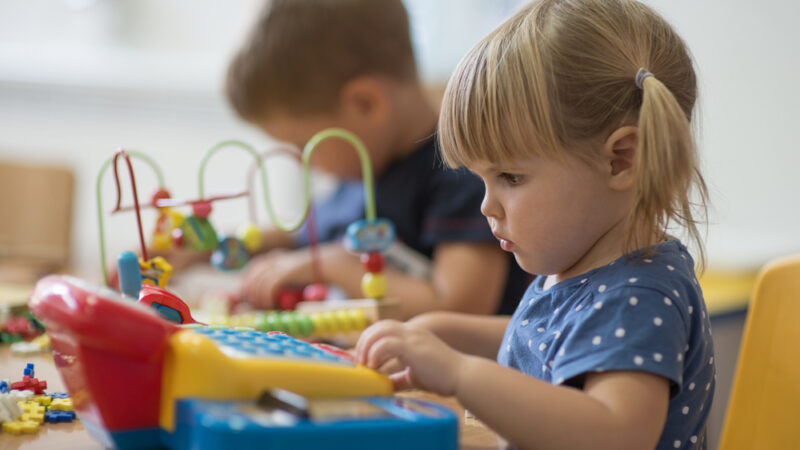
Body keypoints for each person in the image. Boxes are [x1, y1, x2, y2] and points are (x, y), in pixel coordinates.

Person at [355, 0, 715, 448]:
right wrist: (441, 332)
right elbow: (545, 341)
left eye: (510, 177)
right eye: (481, 180)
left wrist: (461, 373)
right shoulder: (588, 271)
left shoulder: (638, 295)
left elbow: (615, 431)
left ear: (621, 159)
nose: (487, 207)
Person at [224, 0, 529, 318]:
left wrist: (332, 265)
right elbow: (300, 234)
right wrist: (212, 246)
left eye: (304, 144)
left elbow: (458, 305)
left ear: (365, 104)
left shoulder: (463, 171)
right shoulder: (363, 166)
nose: (303, 160)